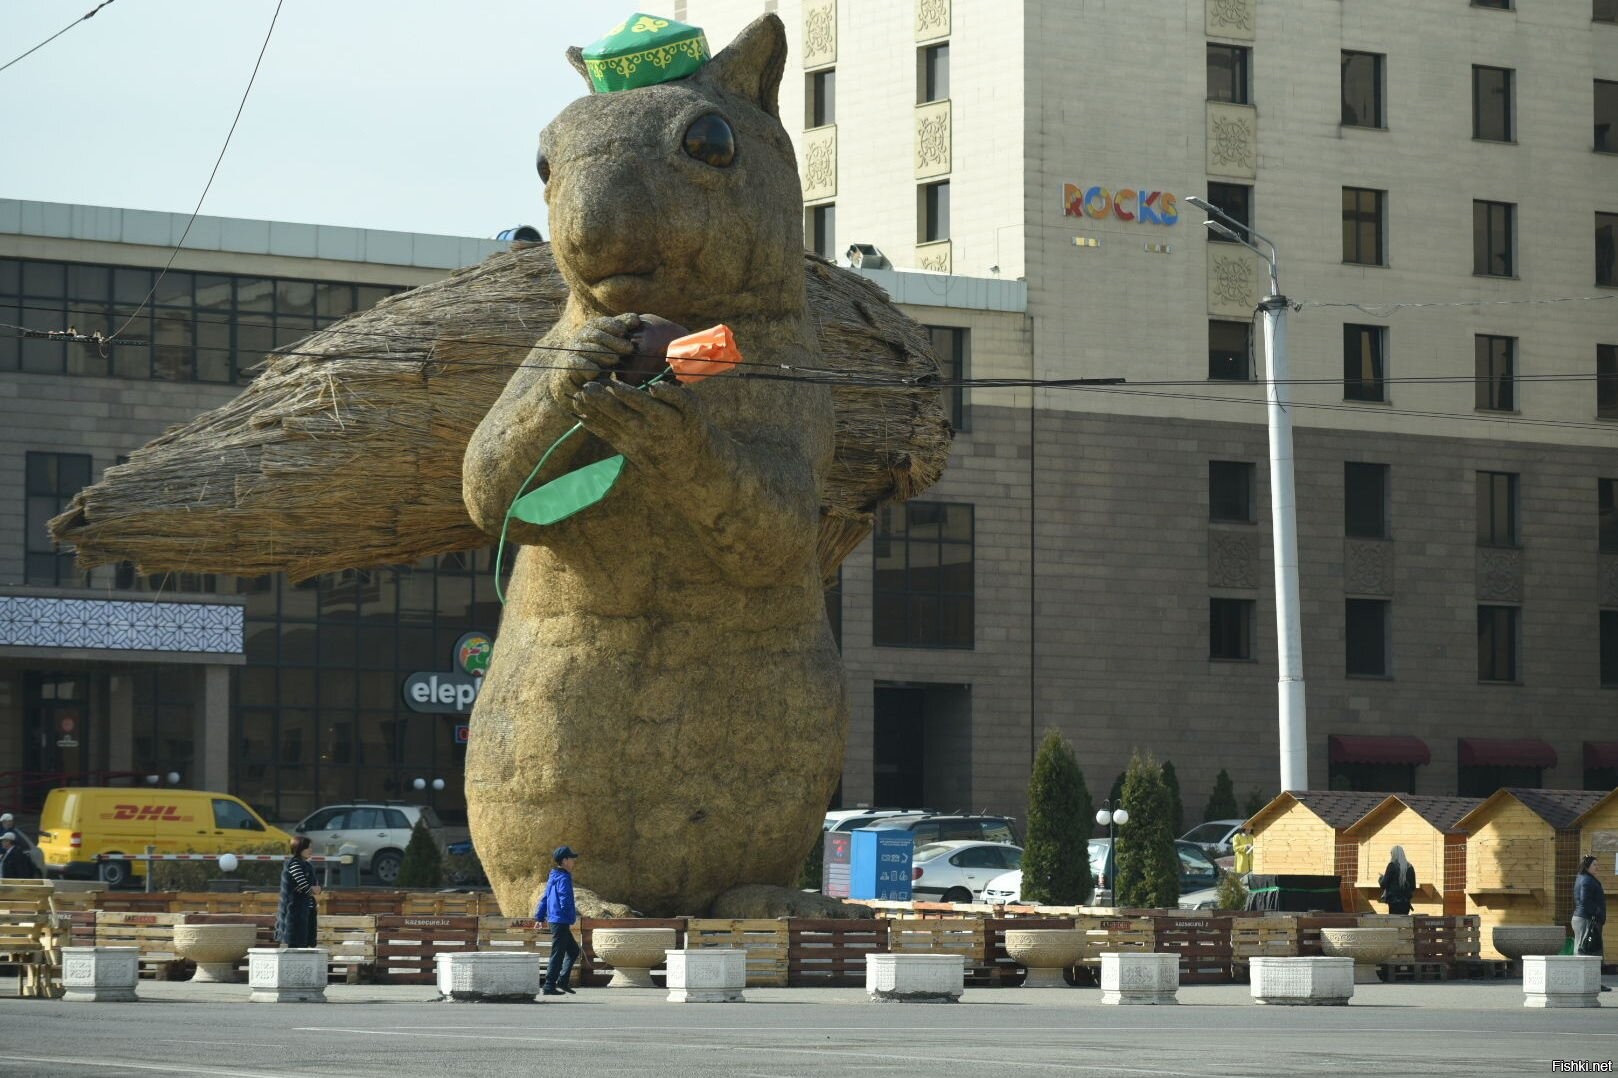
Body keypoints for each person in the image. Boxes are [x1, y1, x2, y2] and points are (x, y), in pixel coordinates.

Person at [536, 845, 581, 996]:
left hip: (556, 920)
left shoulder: (553, 876)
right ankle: (549, 985)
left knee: (573, 951)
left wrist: (540, 917)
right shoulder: (564, 877)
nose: (574, 862)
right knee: (558, 953)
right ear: (565, 860)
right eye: (572, 859)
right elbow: (564, 898)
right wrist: (570, 915)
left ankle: (562, 981)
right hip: (560, 920)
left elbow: (545, 898)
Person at [276, 836, 322, 948]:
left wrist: (310, 889)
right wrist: (310, 889)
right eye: (307, 847)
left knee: (306, 941)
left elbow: (316, 888)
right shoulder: (294, 864)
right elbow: (307, 887)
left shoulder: (307, 865)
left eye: (311, 847)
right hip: (295, 911)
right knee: (296, 942)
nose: (310, 850)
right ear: (299, 848)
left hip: (308, 909)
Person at [1378, 845, 1416, 915]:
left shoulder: (1392, 866)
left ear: (1394, 855)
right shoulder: (1410, 867)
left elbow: (1383, 884)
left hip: (1393, 903)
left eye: (1391, 854)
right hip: (1406, 903)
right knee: (1404, 923)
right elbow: (1413, 887)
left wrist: (1381, 879)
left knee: (1394, 924)